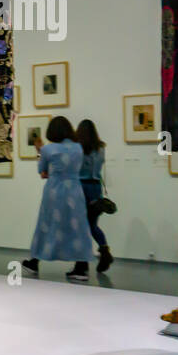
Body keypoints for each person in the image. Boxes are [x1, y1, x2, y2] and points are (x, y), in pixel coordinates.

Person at [22, 115, 95, 282]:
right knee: (78, 227)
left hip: (54, 191)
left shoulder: (48, 149)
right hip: (75, 190)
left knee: (47, 224)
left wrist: (39, 152)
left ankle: (35, 261)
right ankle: (81, 267)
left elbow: (43, 173)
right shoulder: (78, 148)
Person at [76, 118, 113, 273]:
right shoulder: (101, 148)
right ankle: (104, 251)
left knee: (81, 226)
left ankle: (82, 262)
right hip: (96, 187)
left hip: (81, 187)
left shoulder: (78, 149)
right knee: (92, 224)